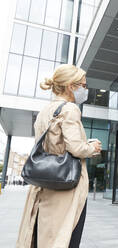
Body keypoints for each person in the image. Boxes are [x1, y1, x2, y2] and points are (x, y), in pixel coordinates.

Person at [16, 64, 102, 248]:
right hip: (65, 186)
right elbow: (76, 148)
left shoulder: (44, 111)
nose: (85, 90)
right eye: (83, 86)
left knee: (42, 236)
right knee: (65, 238)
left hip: (43, 184)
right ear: (71, 86)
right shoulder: (70, 109)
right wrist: (92, 147)